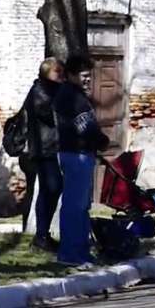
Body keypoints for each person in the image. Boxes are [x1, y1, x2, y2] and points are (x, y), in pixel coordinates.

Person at [53, 54, 108, 268]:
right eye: (84, 76)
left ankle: (81, 251)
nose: (88, 80)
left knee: (80, 205)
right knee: (76, 206)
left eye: (89, 76)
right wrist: (101, 140)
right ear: (72, 75)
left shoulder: (72, 95)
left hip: (77, 153)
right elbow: (85, 127)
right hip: (77, 154)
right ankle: (72, 253)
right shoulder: (72, 97)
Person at [24, 57, 65, 252]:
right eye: (58, 72)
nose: (61, 76)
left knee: (53, 189)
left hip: (52, 147)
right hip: (44, 149)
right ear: (47, 72)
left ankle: (43, 234)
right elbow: (48, 114)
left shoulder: (52, 90)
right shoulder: (39, 91)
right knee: (52, 187)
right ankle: (41, 235)